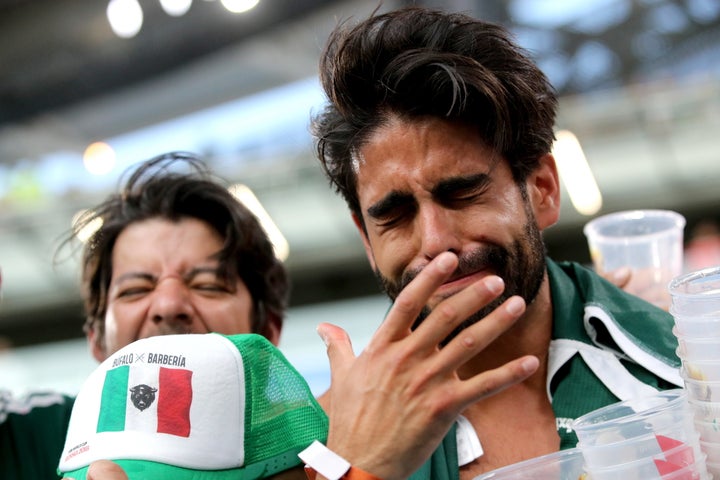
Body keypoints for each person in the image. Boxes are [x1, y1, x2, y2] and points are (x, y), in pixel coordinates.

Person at [307, 6, 683, 479]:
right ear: (366, 238)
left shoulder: (685, 364)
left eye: (464, 193)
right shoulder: (323, 439)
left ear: (542, 188)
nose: (438, 243)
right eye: (395, 216)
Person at [0, 152, 290, 480]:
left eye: (208, 285)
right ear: (96, 340)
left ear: (267, 332)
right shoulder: (35, 438)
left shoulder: (326, 457)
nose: (168, 305)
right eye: (135, 290)